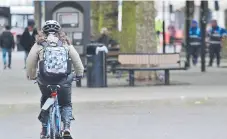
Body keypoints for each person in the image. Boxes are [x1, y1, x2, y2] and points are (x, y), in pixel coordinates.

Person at [26, 20, 84, 139]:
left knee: (46, 99)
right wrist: (79, 74)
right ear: (59, 31)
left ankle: (44, 129)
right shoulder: (65, 43)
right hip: (63, 80)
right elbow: (77, 61)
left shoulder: (39, 44)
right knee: (66, 103)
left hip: (45, 79)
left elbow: (30, 62)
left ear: (43, 31)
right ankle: (66, 127)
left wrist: (32, 75)